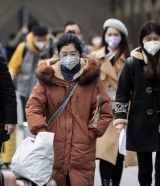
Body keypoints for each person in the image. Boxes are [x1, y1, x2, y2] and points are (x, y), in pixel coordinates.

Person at [26, 30, 113, 186]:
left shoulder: (91, 79)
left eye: (73, 53)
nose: (69, 57)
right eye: (64, 54)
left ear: (80, 53)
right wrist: (41, 131)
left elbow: (103, 108)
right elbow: (33, 106)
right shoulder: (48, 78)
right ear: (58, 54)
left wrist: (91, 132)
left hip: (82, 149)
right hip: (53, 146)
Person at [114, 21, 160, 186]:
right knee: (145, 168)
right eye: (148, 38)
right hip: (141, 123)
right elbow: (122, 95)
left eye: (156, 38)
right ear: (142, 40)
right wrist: (120, 121)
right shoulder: (132, 63)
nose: (152, 42)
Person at [90, 18, 137, 186]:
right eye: (109, 34)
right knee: (105, 151)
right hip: (102, 110)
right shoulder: (94, 57)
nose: (112, 38)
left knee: (118, 151)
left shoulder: (131, 58)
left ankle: (115, 183)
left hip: (124, 111)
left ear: (122, 37)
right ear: (104, 35)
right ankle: (105, 183)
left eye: (116, 35)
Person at [8, 25, 54, 122]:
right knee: (27, 118)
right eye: (38, 39)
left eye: (43, 40)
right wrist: (11, 74)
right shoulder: (23, 47)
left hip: (44, 90)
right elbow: (13, 65)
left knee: (42, 118)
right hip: (25, 89)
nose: (41, 42)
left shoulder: (52, 49)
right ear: (33, 36)